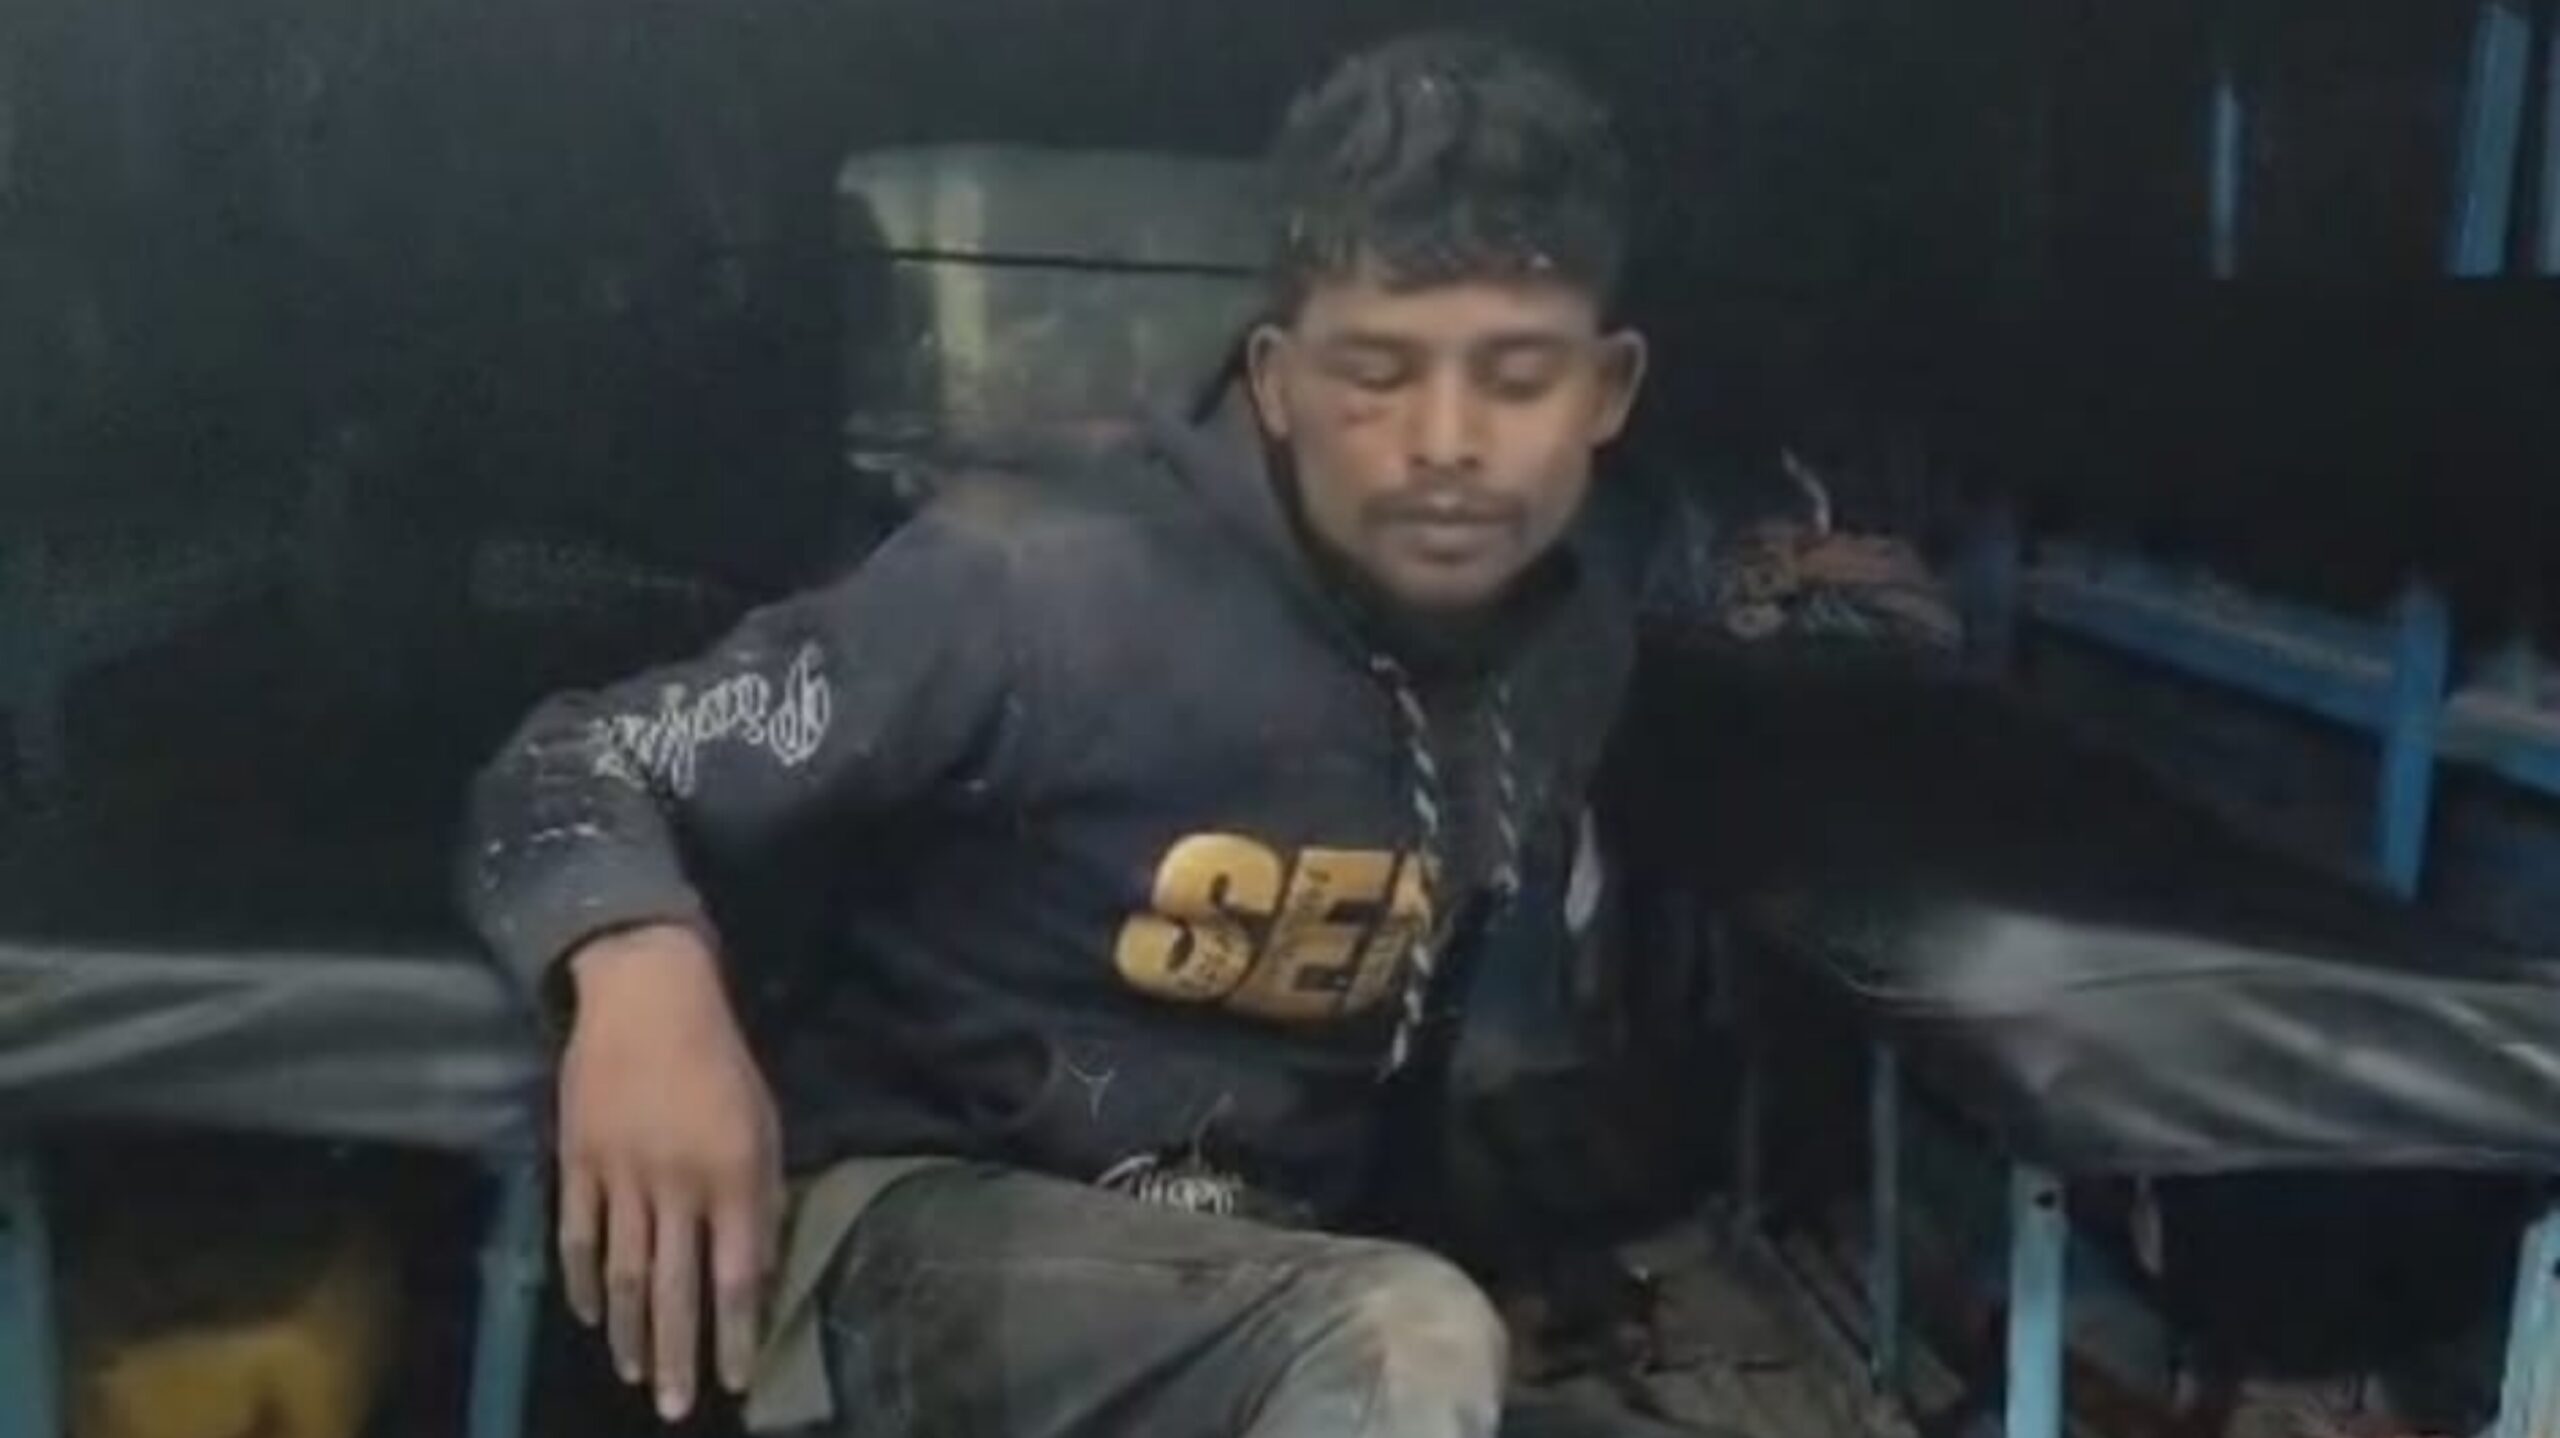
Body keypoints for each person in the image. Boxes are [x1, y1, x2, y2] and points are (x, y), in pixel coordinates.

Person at [460, 31, 1681, 1438]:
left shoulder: (1564, 647)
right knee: (1406, 1333)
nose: (1446, 440)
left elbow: (1428, 1032)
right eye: (1376, 373)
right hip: (911, 1246)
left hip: (1262, 1288)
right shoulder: (1037, 588)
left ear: (1609, 389)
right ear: (1276, 379)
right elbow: (576, 760)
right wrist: (640, 980)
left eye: (1516, 377)